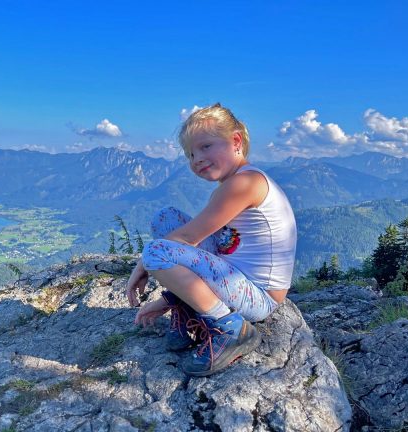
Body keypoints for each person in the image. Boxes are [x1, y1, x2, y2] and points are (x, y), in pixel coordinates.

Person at [126, 103, 297, 376]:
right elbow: (191, 237)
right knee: (166, 217)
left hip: (258, 296)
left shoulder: (245, 183)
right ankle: (188, 305)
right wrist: (171, 296)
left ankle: (228, 328)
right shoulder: (233, 183)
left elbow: (189, 238)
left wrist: (142, 266)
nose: (196, 159)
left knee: (157, 252)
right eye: (191, 154)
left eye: (205, 147)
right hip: (234, 278)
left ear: (236, 141)